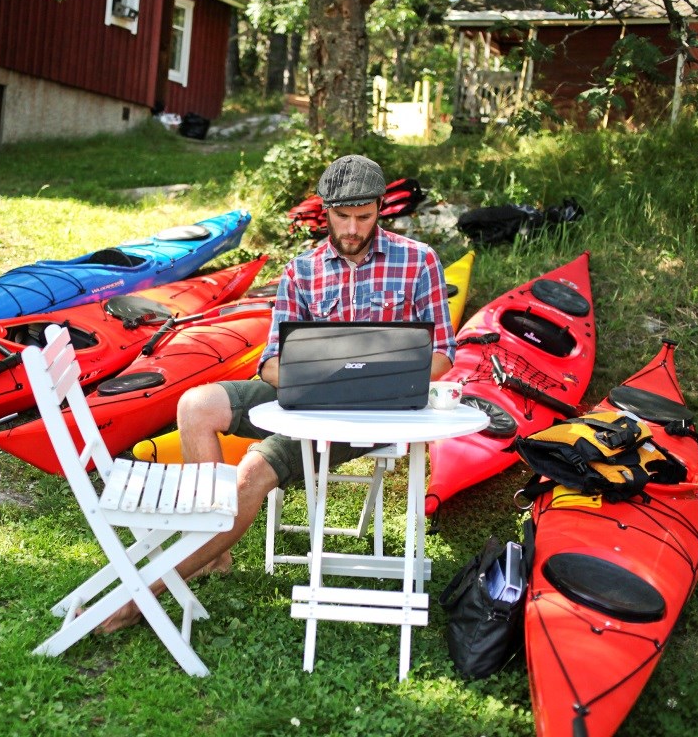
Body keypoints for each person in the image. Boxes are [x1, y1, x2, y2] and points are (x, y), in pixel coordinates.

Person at [98, 154, 456, 631]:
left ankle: (141, 597)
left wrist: (368, 383)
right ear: (325, 211)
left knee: (249, 477)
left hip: (373, 413)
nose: (352, 228)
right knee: (195, 405)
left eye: (364, 217)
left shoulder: (419, 261)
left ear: (380, 210)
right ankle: (212, 550)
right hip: (307, 400)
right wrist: (308, 383)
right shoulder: (301, 271)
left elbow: (444, 355)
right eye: (342, 217)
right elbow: (270, 362)